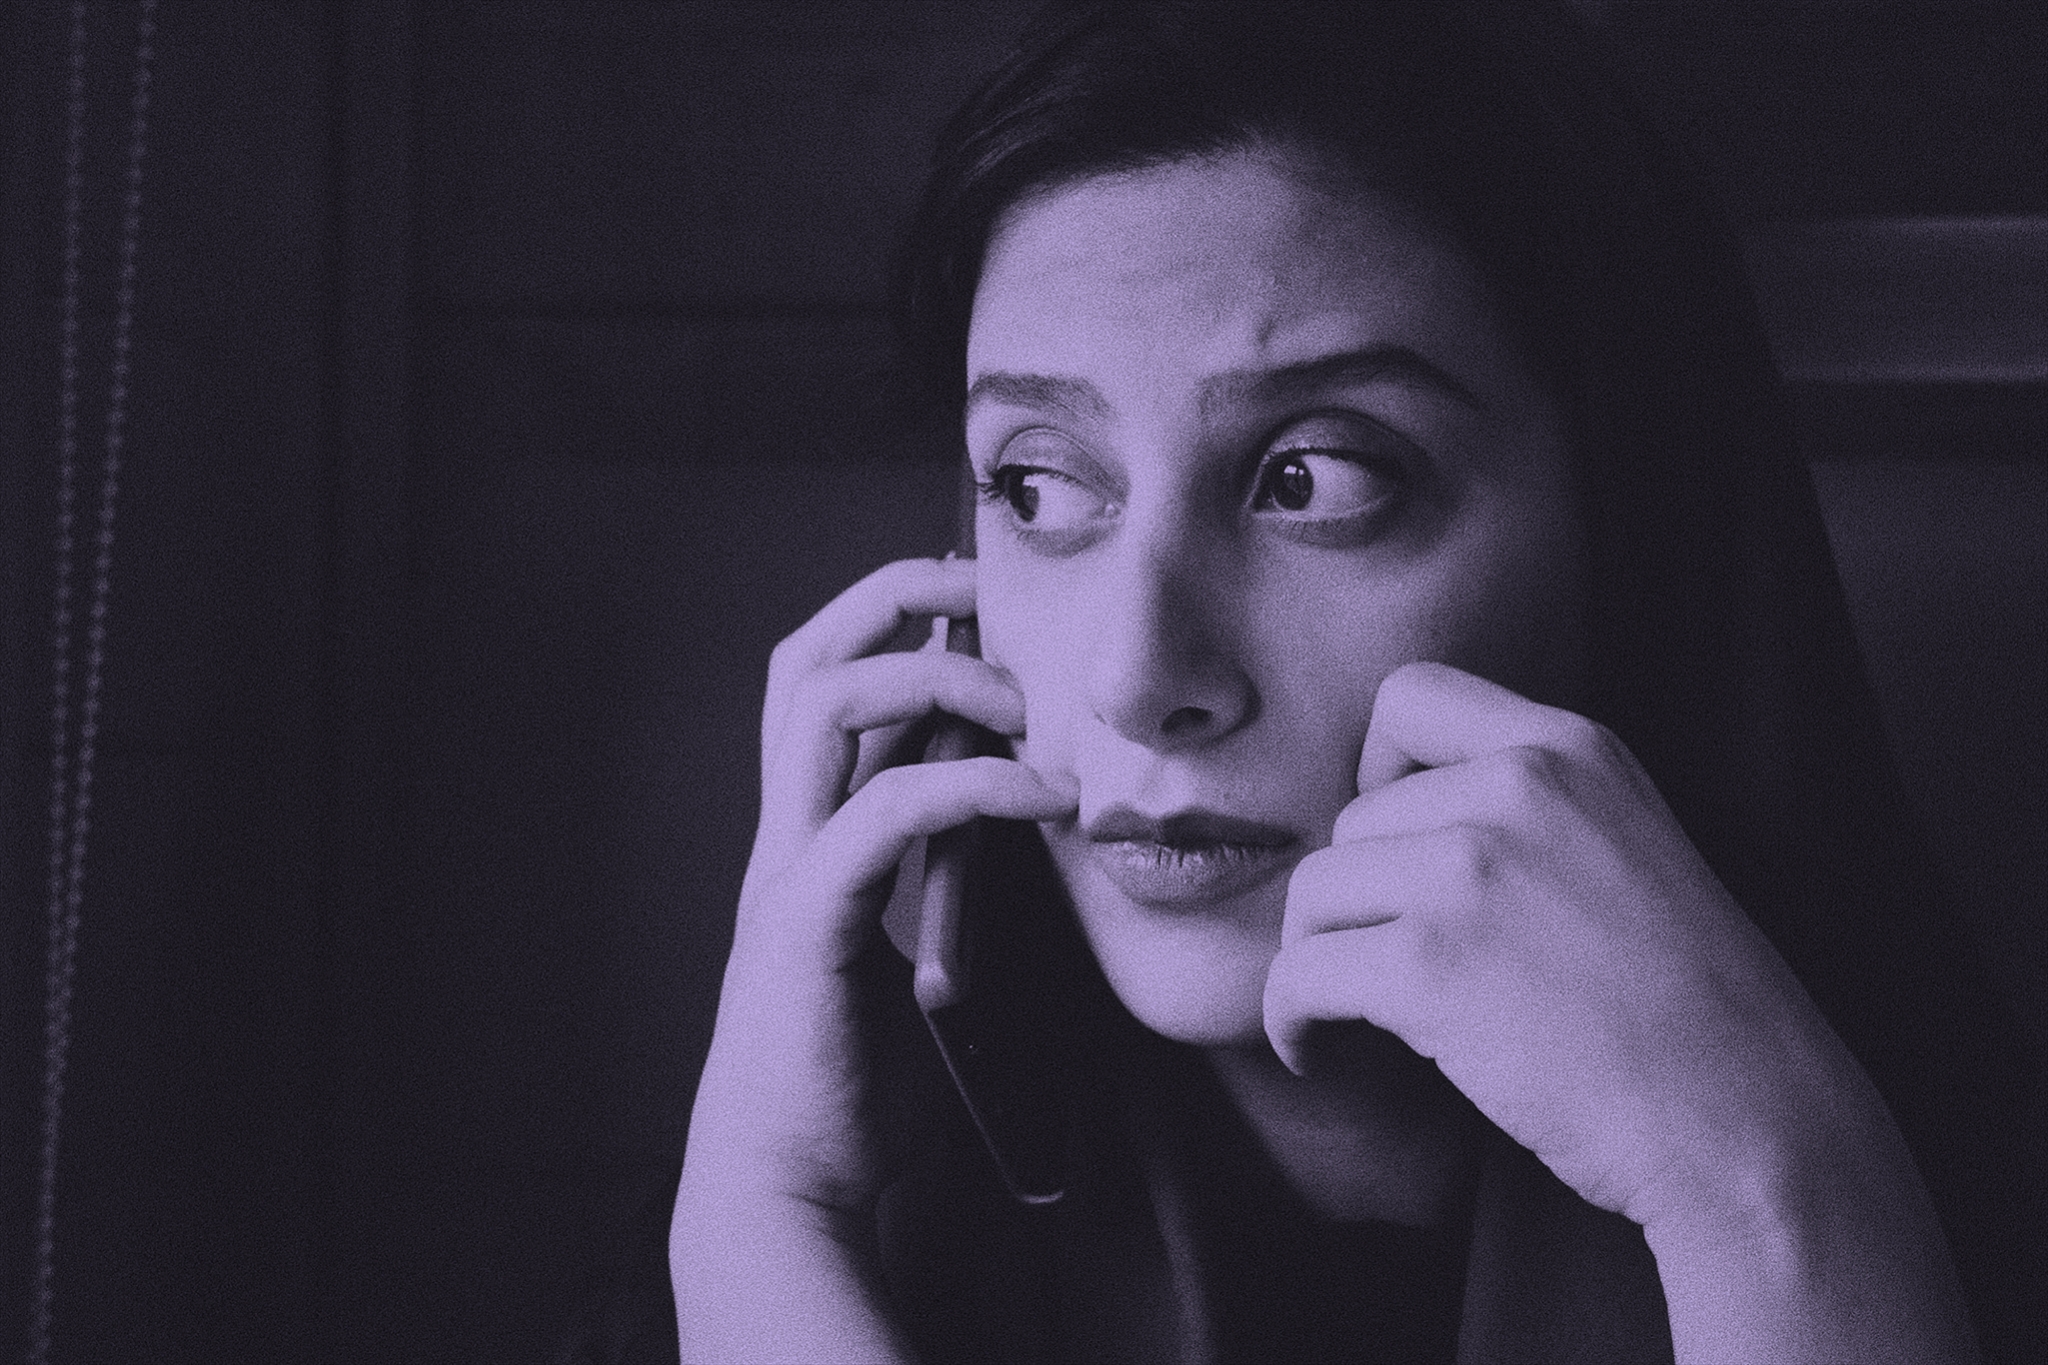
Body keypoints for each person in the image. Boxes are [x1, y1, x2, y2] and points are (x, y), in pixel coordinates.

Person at [669, 2, 2036, 1361]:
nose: (1137, 676)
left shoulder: (1974, 1232)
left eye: (1312, 478)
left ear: (1637, 536)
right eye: (1035, 485)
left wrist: (1771, 1206)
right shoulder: (853, 1251)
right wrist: (757, 1226)